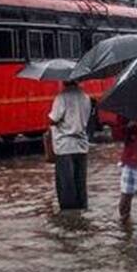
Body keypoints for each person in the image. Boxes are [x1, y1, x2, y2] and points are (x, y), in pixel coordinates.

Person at [48, 81, 93, 210]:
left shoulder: (61, 98)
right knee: (80, 183)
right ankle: (81, 209)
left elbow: (53, 119)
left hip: (65, 147)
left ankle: (69, 215)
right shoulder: (86, 97)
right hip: (81, 145)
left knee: (66, 185)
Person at [113, 116, 137, 223]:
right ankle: (124, 223)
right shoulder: (128, 113)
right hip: (132, 159)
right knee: (126, 195)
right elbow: (117, 135)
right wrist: (129, 126)